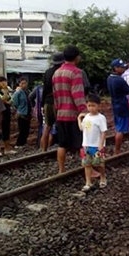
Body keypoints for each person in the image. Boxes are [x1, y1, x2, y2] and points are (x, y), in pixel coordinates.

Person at [52, 45, 87, 173]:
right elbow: (77, 94)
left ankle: (61, 170)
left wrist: (57, 110)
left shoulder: (56, 73)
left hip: (61, 113)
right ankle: (89, 170)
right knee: (83, 143)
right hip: (73, 115)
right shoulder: (76, 72)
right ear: (77, 57)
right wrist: (83, 111)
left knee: (62, 144)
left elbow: (55, 95)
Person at [77, 94, 108, 192]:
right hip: (86, 145)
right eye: (89, 105)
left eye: (93, 105)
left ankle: (103, 177)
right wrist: (79, 119)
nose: (91, 108)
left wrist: (101, 144)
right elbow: (82, 128)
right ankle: (88, 182)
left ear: (98, 106)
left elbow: (104, 131)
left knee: (99, 163)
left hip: (97, 145)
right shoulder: (86, 117)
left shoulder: (101, 118)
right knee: (87, 164)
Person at [107, 58, 129, 154]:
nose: (123, 69)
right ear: (115, 68)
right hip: (122, 106)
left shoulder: (109, 78)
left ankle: (117, 148)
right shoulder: (119, 80)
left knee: (118, 127)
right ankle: (117, 150)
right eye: (121, 67)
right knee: (120, 130)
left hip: (115, 105)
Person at [41, 52, 64, 151]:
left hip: (47, 101)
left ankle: (43, 150)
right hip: (58, 102)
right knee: (61, 126)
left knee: (47, 126)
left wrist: (42, 104)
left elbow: (44, 89)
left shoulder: (47, 72)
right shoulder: (62, 71)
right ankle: (62, 148)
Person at [0, 76, 14, 156]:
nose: (5, 84)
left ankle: (7, 148)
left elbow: (10, 100)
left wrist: (7, 100)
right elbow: (3, 99)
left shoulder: (6, 90)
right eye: (3, 82)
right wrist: (5, 92)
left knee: (6, 130)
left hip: (6, 112)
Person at [12, 77, 32, 148]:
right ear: (19, 84)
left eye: (25, 83)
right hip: (21, 113)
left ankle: (24, 142)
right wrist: (18, 110)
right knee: (22, 129)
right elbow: (15, 103)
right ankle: (19, 143)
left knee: (27, 129)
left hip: (28, 112)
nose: (24, 85)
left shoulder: (28, 91)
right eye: (22, 83)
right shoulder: (18, 93)